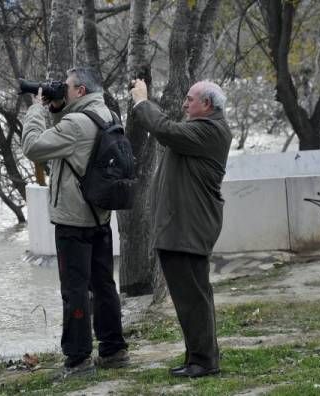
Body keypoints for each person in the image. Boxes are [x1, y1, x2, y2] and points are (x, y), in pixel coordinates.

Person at [21, 67, 129, 376]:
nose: (61, 90)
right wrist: (56, 108)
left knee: (75, 290)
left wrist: (37, 109)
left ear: (80, 91)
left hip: (73, 221)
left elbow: (33, 147)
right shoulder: (106, 115)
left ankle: (78, 359)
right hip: (99, 216)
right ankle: (113, 350)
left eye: (65, 87)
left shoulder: (76, 123)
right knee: (104, 284)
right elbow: (72, 144)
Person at [129, 79, 232, 378]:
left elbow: (165, 130)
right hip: (183, 228)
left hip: (188, 228)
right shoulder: (201, 130)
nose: (184, 104)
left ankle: (203, 361)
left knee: (193, 298)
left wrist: (141, 102)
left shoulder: (210, 130)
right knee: (192, 296)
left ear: (207, 105)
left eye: (190, 99)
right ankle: (198, 357)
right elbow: (170, 131)